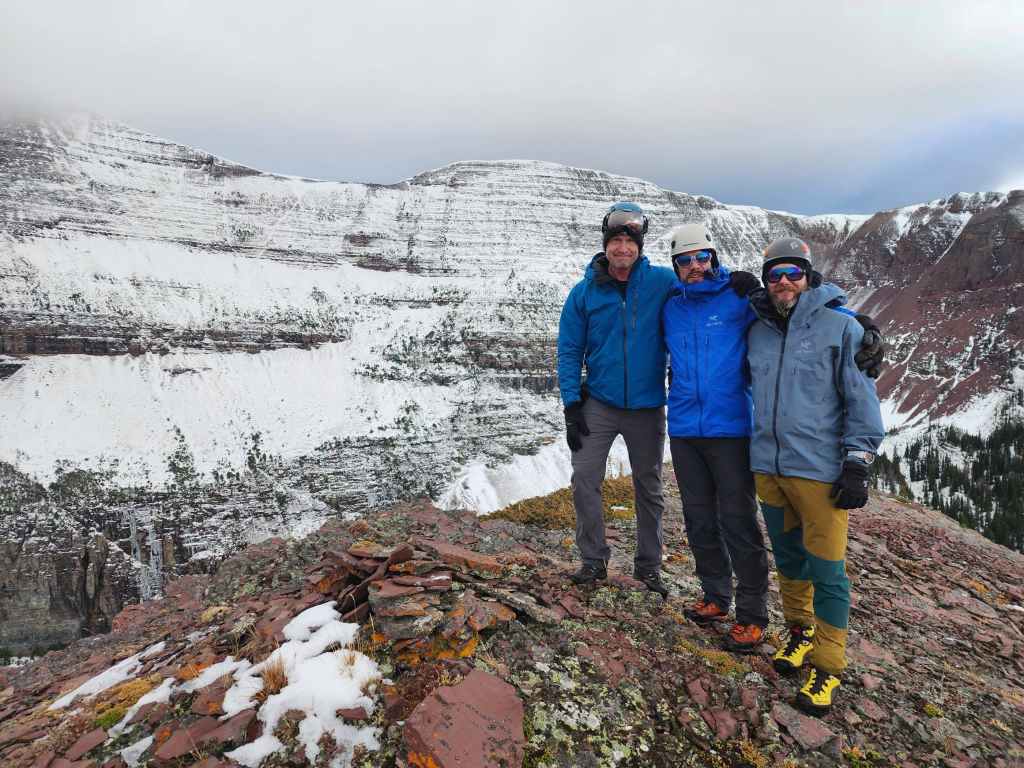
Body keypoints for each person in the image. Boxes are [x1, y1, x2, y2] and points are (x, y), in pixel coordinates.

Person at [747, 236, 885, 714]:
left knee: (827, 571)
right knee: (788, 560)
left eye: (794, 273)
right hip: (769, 467)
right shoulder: (758, 330)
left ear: (809, 277)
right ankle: (799, 632)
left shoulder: (841, 328)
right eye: (775, 274)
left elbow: (861, 397)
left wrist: (858, 462)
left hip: (818, 472)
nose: (784, 281)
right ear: (766, 281)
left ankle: (827, 667)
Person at [557, 202, 677, 596]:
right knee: (584, 479)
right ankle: (593, 561)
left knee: (649, 487)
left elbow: (702, 289)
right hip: (600, 404)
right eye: (616, 241)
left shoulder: (662, 282)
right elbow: (569, 351)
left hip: (647, 405)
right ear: (605, 244)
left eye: (630, 241)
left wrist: (737, 283)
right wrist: (571, 405)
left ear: (640, 246)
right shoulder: (584, 293)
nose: (623, 248)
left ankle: (649, 567)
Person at [661, 223, 770, 652]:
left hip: (731, 428)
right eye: (685, 260)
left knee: (738, 520)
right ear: (675, 266)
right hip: (685, 429)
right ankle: (715, 596)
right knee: (699, 518)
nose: (695, 266)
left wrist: (858, 322)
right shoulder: (670, 306)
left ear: (714, 258)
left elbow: (792, 309)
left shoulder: (739, 297)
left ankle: (753, 614)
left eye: (701, 257)